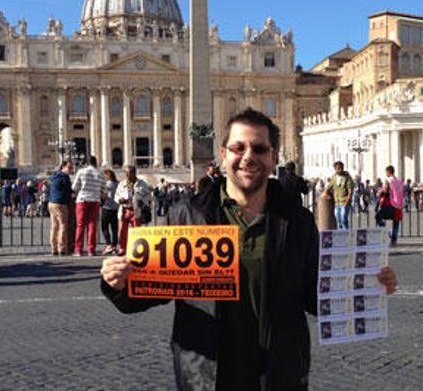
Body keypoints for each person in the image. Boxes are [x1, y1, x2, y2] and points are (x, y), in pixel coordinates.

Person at [100, 108, 397, 390]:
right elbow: (151, 290)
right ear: (223, 154)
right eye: (238, 148)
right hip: (207, 374)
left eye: (259, 149)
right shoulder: (187, 215)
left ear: (274, 156)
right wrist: (118, 282)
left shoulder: (298, 221)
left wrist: (368, 284)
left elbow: (314, 294)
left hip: (279, 372)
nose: (248, 157)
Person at [72, 155, 105, 256]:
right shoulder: (100, 173)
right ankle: (91, 249)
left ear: (86, 163)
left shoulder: (81, 172)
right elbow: (104, 190)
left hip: (82, 200)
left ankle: (78, 249)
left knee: (80, 225)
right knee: (92, 225)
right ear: (96, 163)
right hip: (95, 200)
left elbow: (74, 187)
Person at [113, 164, 149, 255]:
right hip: (124, 209)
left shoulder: (142, 184)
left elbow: (149, 196)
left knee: (137, 230)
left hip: (136, 209)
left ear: (134, 173)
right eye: (126, 173)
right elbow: (116, 196)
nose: (128, 175)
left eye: (130, 173)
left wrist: (143, 202)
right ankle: (122, 248)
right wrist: (119, 200)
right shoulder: (122, 184)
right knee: (122, 231)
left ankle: (137, 248)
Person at [48, 161, 74, 256]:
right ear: (63, 167)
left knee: (54, 226)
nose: (71, 170)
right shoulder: (65, 177)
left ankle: (53, 248)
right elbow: (68, 190)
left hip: (51, 203)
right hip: (61, 203)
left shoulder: (54, 176)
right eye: (69, 167)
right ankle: (62, 248)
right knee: (63, 225)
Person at [328, 161, 354, 230]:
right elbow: (329, 186)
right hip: (337, 202)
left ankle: (346, 234)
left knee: (343, 219)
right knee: (338, 220)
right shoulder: (334, 177)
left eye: (341, 168)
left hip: (344, 202)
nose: (340, 170)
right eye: (338, 168)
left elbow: (350, 191)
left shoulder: (347, 177)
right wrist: (324, 193)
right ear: (335, 169)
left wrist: (347, 201)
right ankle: (340, 235)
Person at [100, 169, 120, 255]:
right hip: (116, 208)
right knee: (114, 228)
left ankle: (108, 244)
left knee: (104, 227)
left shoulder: (107, 185)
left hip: (107, 207)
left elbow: (104, 195)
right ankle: (114, 246)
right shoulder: (118, 184)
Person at [385, 165, 404, 245]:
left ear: (389, 172)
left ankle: (386, 234)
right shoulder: (399, 181)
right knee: (396, 223)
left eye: (386, 172)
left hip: (390, 203)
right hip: (399, 204)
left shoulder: (389, 180)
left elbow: (385, 190)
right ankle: (394, 239)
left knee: (380, 219)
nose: (385, 173)